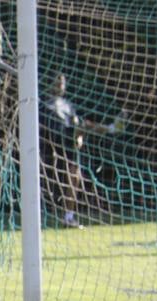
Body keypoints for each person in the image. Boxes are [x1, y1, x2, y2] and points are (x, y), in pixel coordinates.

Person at [41, 73, 123, 228]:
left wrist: (79, 136)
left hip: (68, 144)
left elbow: (76, 122)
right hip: (52, 145)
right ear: (49, 83)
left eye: (63, 82)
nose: (60, 85)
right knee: (55, 180)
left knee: (74, 177)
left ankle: (68, 217)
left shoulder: (67, 104)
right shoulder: (44, 104)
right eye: (57, 82)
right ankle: (111, 128)